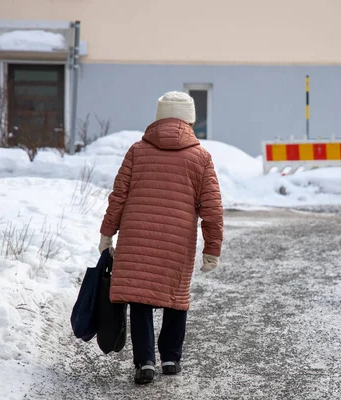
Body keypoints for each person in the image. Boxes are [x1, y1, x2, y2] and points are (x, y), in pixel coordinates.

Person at [98, 91, 224, 385]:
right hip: (177, 241)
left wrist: (107, 233)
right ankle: (170, 357)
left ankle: (144, 362)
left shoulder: (137, 151)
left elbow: (118, 197)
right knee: (175, 297)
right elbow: (212, 209)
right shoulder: (201, 157)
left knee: (140, 296)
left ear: (158, 117)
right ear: (190, 119)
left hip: (136, 238)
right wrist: (212, 249)